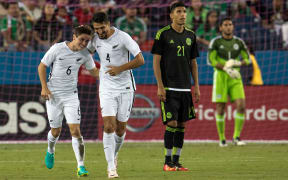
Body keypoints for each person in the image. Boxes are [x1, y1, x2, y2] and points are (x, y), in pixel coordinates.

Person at [88, 12, 145, 178]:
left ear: (108, 24)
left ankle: (114, 155)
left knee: (120, 130)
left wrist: (119, 69)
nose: (99, 32)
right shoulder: (95, 39)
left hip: (126, 87)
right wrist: (92, 69)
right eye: (96, 29)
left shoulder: (123, 37)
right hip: (106, 88)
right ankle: (111, 168)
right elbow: (86, 53)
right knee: (108, 127)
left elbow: (141, 60)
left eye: (102, 28)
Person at [38, 25, 99, 177]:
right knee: (55, 131)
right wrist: (44, 87)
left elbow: (94, 72)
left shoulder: (85, 54)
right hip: (54, 95)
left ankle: (81, 166)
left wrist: (111, 75)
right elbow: (41, 66)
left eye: (87, 41)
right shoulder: (57, 49)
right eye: (82, 39)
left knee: (76, 131)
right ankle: (50, 150)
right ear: (74, 37)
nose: (84, 43)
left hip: (71, 95)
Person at [151, 1, 200, 172]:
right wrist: (160, 86)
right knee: (171, 123)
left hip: (185, 88)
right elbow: (156, 61)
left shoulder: (191, 35)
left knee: (181, 125)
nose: (183, 14)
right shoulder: (162, 34)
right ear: (171, 15)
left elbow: (193, 63)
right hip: (169, 88)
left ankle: (176, 161)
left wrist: (197, 87)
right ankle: (167, 162)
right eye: (179, 11)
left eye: (184, 11)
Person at [207, 17, 251, 147]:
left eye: (230, 24)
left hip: (235, 76)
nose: (228, 27)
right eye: (225, 25)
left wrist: (237, 62)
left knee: (241, 106)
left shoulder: (239, 42)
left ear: (233, 27)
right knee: (221, 108)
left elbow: (248, 59)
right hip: (221, 76)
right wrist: (226, 67)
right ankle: (222, 139)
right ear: (220, 27)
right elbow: (211, 60)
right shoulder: (215, 42)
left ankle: (236, 137)